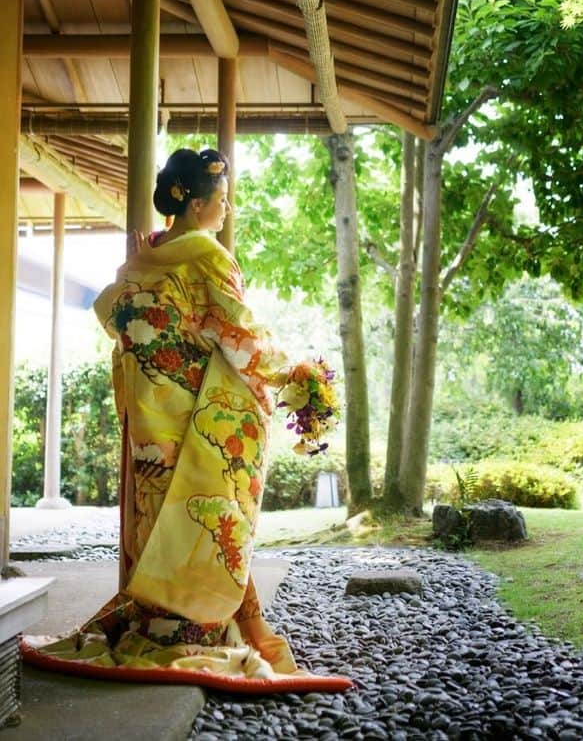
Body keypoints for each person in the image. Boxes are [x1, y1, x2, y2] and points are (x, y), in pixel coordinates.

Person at [22, 148, 349, 694]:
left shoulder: (142, 262)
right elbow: (238, 334)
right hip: (199, 415)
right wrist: (293, 374)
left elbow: (113, 314)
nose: (224, 211)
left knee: (158, 519)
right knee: (210, 519)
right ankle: (191, 632)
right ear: (196, 203)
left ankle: (161, 622)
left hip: (152, 417)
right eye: (219, 201)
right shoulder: (207, 256)